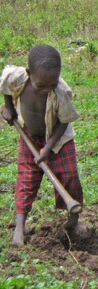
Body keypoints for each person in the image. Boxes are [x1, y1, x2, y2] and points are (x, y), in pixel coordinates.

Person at [1, 45, 84, 247]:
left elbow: (64, 121)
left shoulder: (62, 91)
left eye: (52, 84)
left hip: (58, 140)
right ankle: (19, 228)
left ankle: (73, 222)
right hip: (30, 135)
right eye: (42, 86)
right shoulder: (17, 78)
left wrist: (48, 148)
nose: (48, 89)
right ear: (29, 74)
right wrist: (9, 108)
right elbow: (4, 86)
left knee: (69, 175)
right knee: (26, 179)